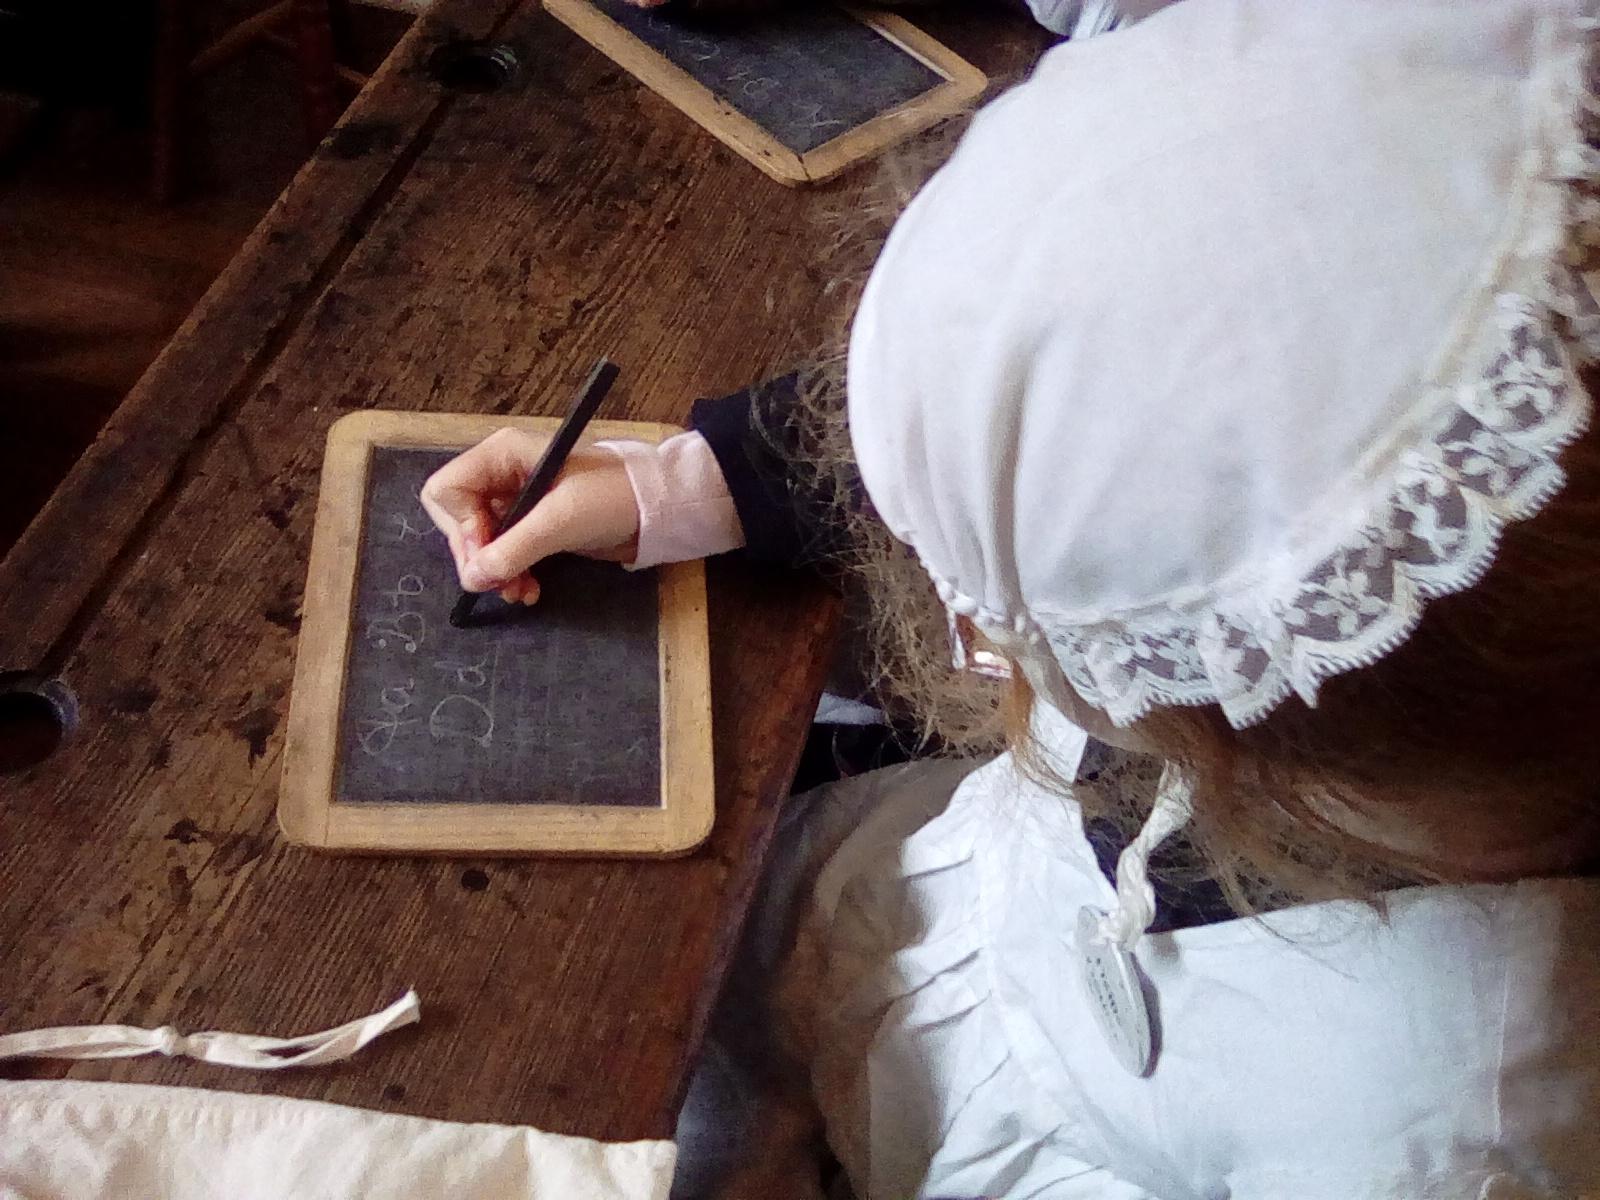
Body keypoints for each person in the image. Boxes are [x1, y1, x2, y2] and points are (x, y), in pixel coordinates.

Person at [421, 1, 1600, 1195]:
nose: (963, 618)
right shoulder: (1320, 623)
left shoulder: (1461, 1131)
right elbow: (1097, 361)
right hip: (948, 911)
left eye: (980, 584)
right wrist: (680, 487)